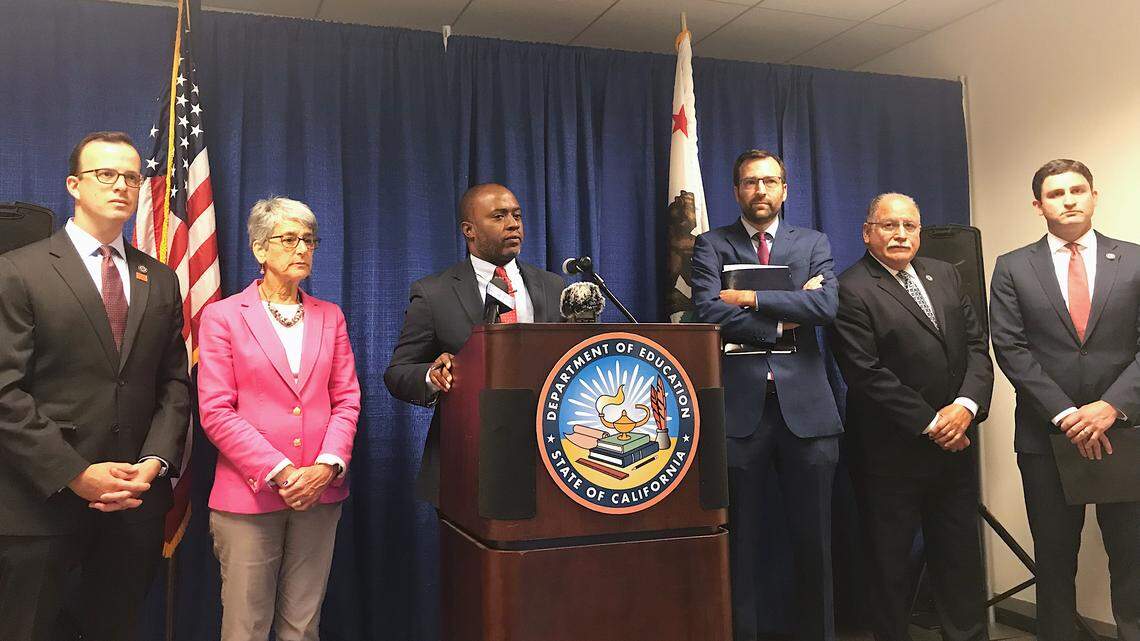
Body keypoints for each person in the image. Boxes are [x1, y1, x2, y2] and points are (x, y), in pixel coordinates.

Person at [0, 131, 190, 641]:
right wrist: (75, 472)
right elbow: (5, 393)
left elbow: (174, 385)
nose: (122, 185)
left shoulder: (162, 279)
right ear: (74, 185)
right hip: (41, 505)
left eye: (131, 176)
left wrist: (154, 464)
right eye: (105, 174)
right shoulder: (18, 271)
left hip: (134, 503)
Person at [691, 149, 842, 641]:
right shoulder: (712, 245)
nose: (761, 190)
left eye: (770, 181)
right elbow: (708, 313)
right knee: (742, 545)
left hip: (809, 415)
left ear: (785, 189)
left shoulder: (812, 242)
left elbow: (826, 305)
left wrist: (752, 299)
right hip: (740, 413)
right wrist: (784, 317)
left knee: (814, 543)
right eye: (750, 182)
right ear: (736, 190)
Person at [829, 193, 993, 641]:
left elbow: (977, 349)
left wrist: (965, 408)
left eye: (910, 226)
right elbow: (865, 373)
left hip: (955, 447)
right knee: (890, 565)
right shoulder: (850, 288)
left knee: (960, 558)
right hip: (890, 453)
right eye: (889, 225)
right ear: (867, 233)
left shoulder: (945, 275)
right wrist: (934, 423)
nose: (901, 233)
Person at [197, 197, 361, 641]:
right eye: (288, 239)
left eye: (309, 240)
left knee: (303, 625)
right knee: (245, 627)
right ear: (258, 249)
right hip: (248, 497)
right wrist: (283, 472)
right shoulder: (223, 316)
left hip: (320, 494)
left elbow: (346, 400)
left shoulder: (331, 316)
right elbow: (215, 410)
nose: (301, 249)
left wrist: (326, 468)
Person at [990, 159, 1139, 641]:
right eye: (1056, 194)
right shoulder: (1013, 266)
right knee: (1054, 561)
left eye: (1078, 190)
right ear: (1038, 206)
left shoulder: (1135, 260)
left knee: (1133, 559)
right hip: (1046, 436)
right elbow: (1010, 347)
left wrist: (1111, 407)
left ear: (1095, 196)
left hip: (1124, 432)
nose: (1069, 200)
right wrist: (1068, 414)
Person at [385, 183, 564, 505]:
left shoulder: (553, 287)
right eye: (499, 216)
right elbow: (398, 373)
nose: (513, 224)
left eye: (517, 215)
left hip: (548, 459)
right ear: (469, 230)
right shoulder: (433, 293)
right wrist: (432, 376)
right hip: (468, 460)